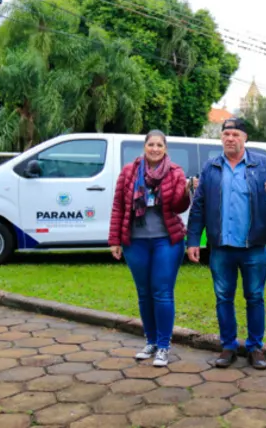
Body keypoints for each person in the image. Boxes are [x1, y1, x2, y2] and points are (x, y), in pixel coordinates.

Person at [186, 118, 266, 370]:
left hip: (254, 247)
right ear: (222, 138)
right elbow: (199, 206)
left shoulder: (263, 165)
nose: (230, 138)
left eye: (235, 134)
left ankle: (255, 348)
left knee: (255, 297)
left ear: (245, 137)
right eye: (226, 134)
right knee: (223, 297)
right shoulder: (211, 167)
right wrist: (194, 240)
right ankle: (228, 346)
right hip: (221, 248)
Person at [108, 130, 191, 367]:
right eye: (151, 144)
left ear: (166, 149)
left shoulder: (175, 172)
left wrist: (186, 191)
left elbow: (178, 205)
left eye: (159, 145)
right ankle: (151, 341)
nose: (155, 149)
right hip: (135, 241)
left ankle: (164, 346)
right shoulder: (129, 172)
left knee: (162, 292)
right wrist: (114, 239)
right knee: (144, 293)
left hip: (166, 240)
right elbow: (118, 207)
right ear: (144, 146)